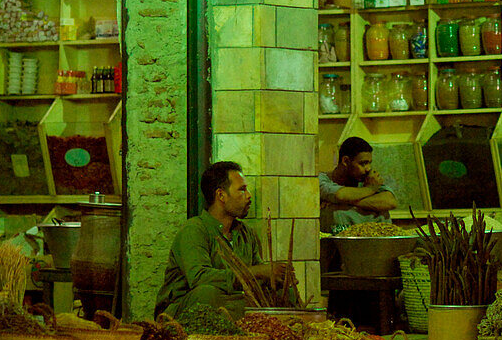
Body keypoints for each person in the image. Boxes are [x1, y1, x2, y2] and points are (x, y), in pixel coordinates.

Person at [155, 161, 292, 319]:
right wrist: (258, 272)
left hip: (233, 302)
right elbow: (200, 278)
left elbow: (257, 279)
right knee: (207, 293)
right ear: (221, 195)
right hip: (188, 308)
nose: (248, 196)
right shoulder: (194, 230)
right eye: (242, 189)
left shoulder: (247, 233)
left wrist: (276, 277)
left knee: (283, 291)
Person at [319, 136, 398, 232]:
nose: (368, 168)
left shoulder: (368, 180)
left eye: (369, 163)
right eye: (363, 163)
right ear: (346, 161)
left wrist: (339, 202)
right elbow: (340, 194)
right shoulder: (322, 179)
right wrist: (370, 190)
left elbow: (390, 201)